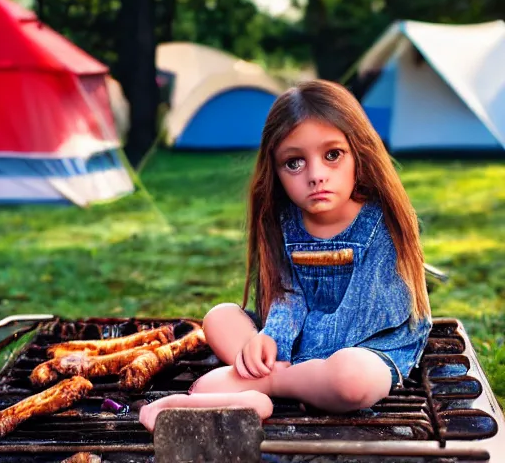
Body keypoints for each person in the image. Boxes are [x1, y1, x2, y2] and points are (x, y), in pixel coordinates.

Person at [139, 80, 432, 431]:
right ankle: (271, 381)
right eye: (294, 163)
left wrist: (286, 363)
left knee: (351, 379)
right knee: (219, 318)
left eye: (333, 155)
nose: (316, 175)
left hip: (368, 345)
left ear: (360, 152)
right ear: (275, 171)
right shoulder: (285, 221)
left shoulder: (381, 224)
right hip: (297, 346)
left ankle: (269, 384)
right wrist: (269, 340)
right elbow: (286, 294)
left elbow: (368, 313)